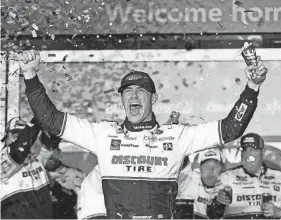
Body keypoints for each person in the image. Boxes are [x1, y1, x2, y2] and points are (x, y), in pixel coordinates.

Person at [18, 50, 267, 219]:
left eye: (141, 91)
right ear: (122, 98)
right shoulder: (103, 134)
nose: (133, 96)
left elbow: (230, 129)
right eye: (127, 91)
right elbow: (50, 120)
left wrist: (252, 88)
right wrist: (29, 74)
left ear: (154, 98)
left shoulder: (177, 136)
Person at [210, 133, 281, 219]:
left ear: (263, 151)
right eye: (244, 149)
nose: (248, 154)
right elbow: (212, 214)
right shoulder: (227, 177)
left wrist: (280, 212)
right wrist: (218, 203)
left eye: (253, 149)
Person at [1, 117, 53, 218]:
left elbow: (52, 141)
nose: (18, 137)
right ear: (6, 134)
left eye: (22, 133)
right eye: (15, 132)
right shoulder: (3, 157)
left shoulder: (35, 153)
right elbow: (19, 150)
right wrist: (39, 117)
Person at [175, 148, 223, 219]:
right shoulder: (189, 179)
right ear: (200, 168)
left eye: (215, 167)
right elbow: (181, 159)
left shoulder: (226, 188)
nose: (210, 171)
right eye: (206, 166)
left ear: (221, 169)